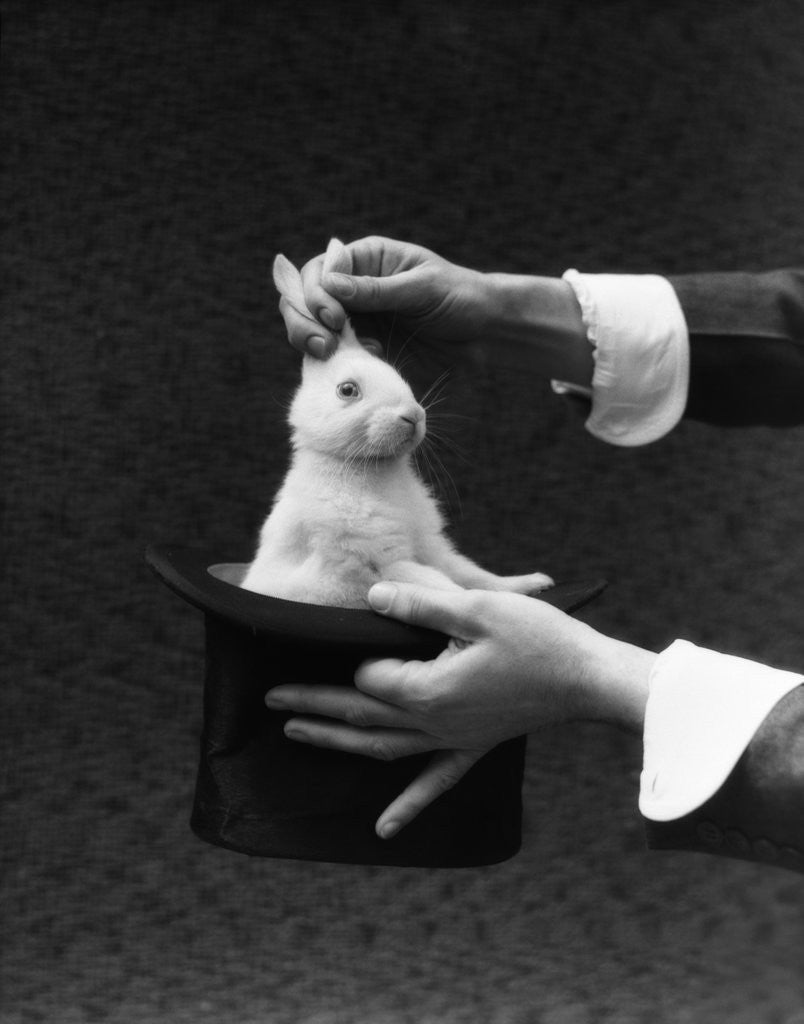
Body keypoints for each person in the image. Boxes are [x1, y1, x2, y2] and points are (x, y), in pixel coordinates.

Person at [263, 237, 804, 873]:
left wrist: (573, 662)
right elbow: (375, 573)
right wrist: (496, 311)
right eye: (351, 391)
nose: (411, 413)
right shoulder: (320, 493)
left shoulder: (393, 485)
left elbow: (429, 554)